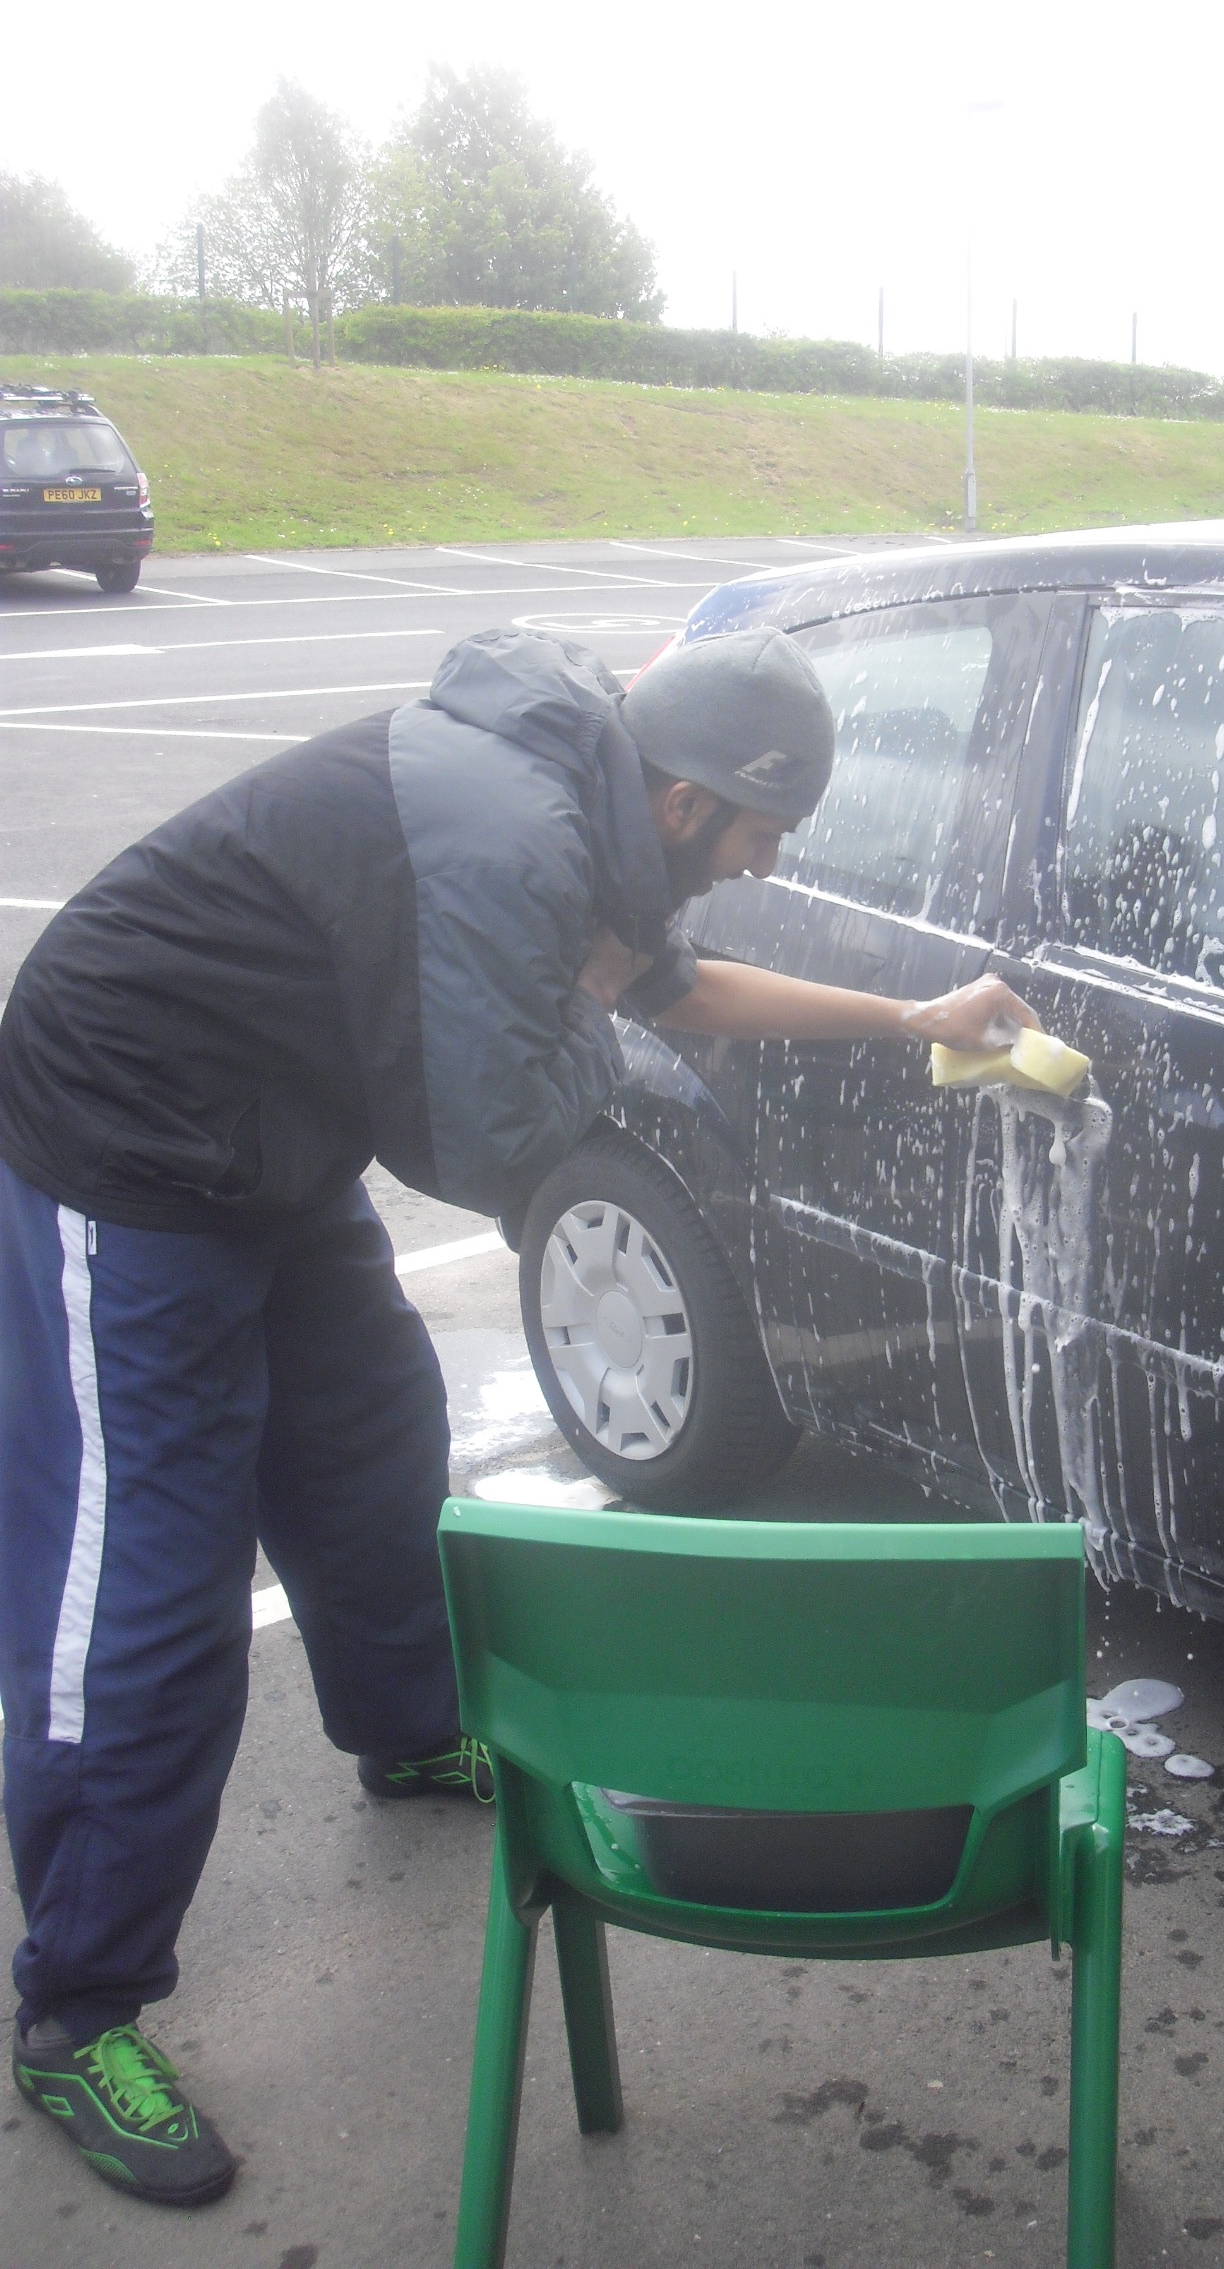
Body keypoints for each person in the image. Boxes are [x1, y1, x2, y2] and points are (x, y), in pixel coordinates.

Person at [0, 625, 1033, 2207]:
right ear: (684, 800)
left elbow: (673, 993)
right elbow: (492, 1144)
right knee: (143, 1594)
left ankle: (409, 1734)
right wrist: (597, 1039)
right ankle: (77, 2004)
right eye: (761, 831)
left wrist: (913, 1022)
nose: (763, 862)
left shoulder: (597, 817)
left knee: (374, 1453)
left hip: (275, 1131)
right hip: (127, 1147)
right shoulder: (516, 837)